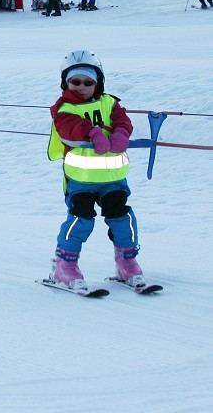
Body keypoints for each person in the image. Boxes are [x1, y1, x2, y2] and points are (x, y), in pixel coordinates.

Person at [47, 49, 146, 290]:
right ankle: (65, 264)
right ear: (66, 83)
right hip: (80, 180)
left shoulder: (109, 103)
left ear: (98, 83)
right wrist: (93, 132)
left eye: (88, 82)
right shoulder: (64, 108)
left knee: (122, 218)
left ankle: (127, 262)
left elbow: (122, 119)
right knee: (81, 220)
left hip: (113, 179)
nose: (81, 87)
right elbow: (69, 127)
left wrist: (122, 132)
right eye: (75, 82)